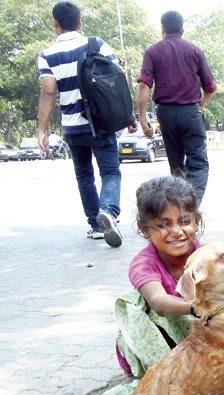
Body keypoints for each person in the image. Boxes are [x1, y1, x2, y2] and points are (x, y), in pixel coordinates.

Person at [100, 176, 224, 395]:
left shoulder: (205, 254)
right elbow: (159, 302)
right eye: (163, 224)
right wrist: (200, 306)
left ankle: (215, 377)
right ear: (145, 230)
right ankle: (184, 379)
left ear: (196, 222)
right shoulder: (144, 263)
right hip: (159, 337)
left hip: (196, 334)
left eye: (184, 221)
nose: (176, 231)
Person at [37, 1, 132, 247]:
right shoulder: (96, 44)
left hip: (71, 126)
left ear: (55, 24)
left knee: (84, 175)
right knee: (110, 171)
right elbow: (117, 79)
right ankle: (108, 211)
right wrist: (128, 115)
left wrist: (42, 130)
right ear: (80, 23)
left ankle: (95, 224)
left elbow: (48, 92)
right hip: (101, 123)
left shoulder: (47, 55)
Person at [137, 10, 216, 205]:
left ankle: (180, 206)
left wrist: (142, 118)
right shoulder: (194, 50)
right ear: (182, 29)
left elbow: (144, 85)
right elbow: (210, 87)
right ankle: (191, 206)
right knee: (198, 164)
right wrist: (201, 104)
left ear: (162, 29)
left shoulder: (153, 52)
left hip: (165, 113)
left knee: (176, 165)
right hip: (190, 112)